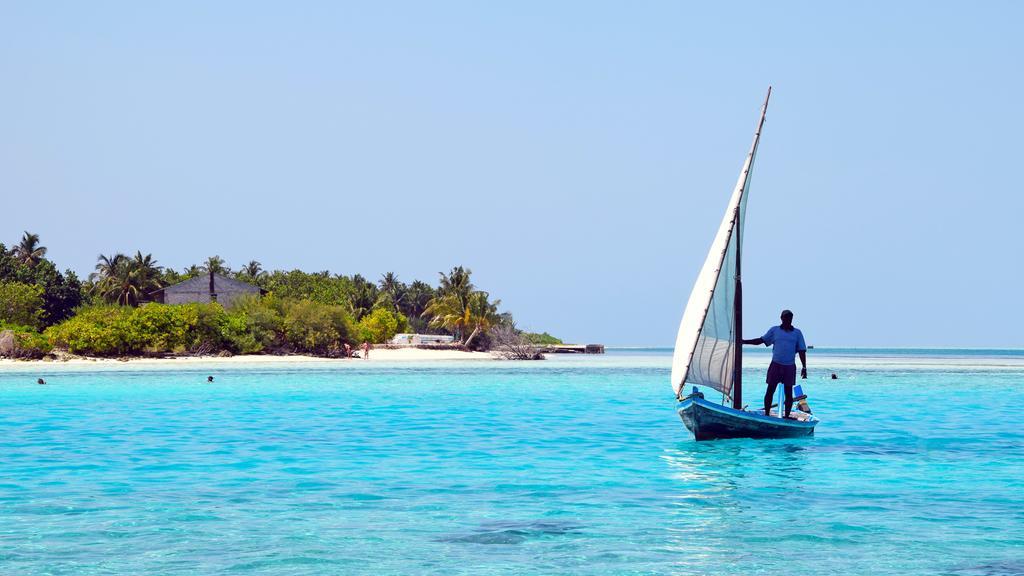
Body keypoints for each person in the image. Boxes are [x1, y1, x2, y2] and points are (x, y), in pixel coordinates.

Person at [742, 309, 807, 419]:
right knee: (770, 390)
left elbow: (802, 350)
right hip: (776, 365)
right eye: (785, 318)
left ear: (792, 319)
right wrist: (744, 341)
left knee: (788, 393)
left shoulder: (797, 333)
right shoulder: (775, 330)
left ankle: (786, 416)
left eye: (790, 318)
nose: (788, 320)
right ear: (781, 318)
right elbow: (761, 340)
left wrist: (804, 367)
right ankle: (767, 414)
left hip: (789, 366)